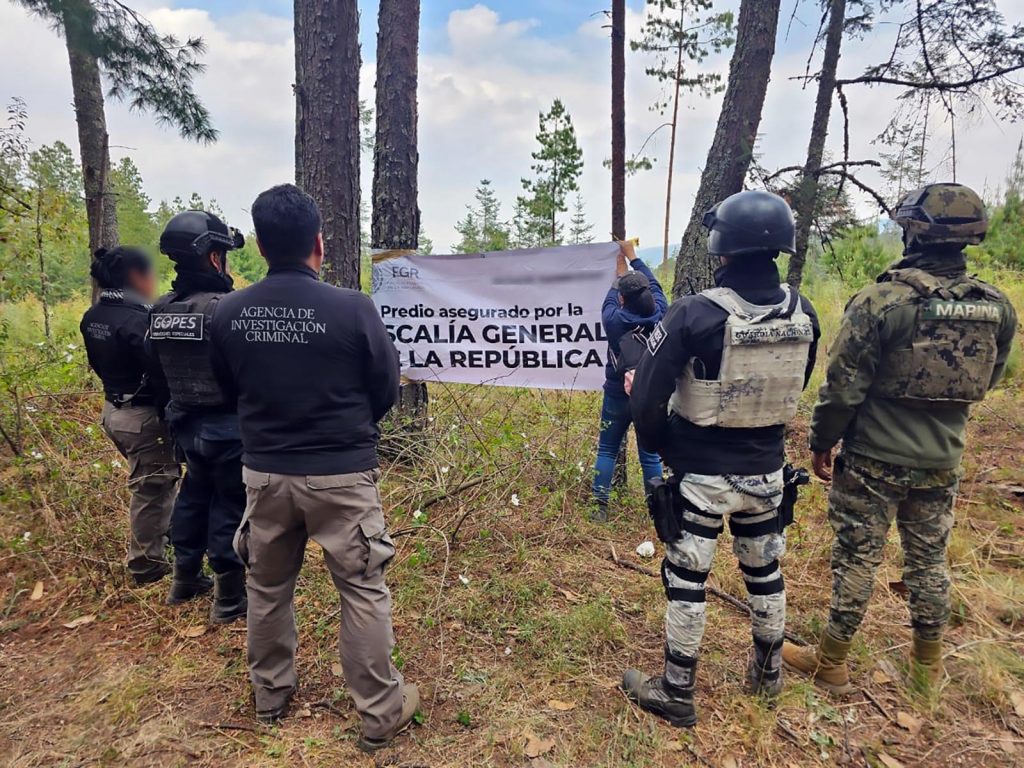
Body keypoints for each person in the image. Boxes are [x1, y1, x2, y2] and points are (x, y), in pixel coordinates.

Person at [783, 183, 1017, 699]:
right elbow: (990, 378)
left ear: (912, 231)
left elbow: (843, 386)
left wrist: (822, 440)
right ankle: (926, 669)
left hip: (873, 458)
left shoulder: (882, 302)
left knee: (857, 558)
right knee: (928, 561)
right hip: (942, 459)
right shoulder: (996, 307)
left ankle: (832, 663)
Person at [208, 184, 418, 750]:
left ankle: (270, 696)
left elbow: (227, 390)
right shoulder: (354, 308)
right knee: (362, 588)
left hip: (265, 475)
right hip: (343, 475)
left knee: (266, 586)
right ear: (319, 244)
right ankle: (380, 714)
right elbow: (384, 390)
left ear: (260, 244)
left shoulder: (228, 311)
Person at [623, 190, 821, 727]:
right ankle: (768, 677)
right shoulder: (803, 312)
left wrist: (668, 447)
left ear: (723, 247)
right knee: (765, 572)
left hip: (702, 477)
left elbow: (645, 399)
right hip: (768, 473)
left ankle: (677, 690)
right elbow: (795, 384)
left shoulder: (695, 313)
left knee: (687, 579)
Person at [148, 211, 248, 623]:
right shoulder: (226, 309)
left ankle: (184, 579)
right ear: (213, 257)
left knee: (192, 498)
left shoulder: (160, 309)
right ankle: (229, 598)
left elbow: (155, 374)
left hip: (186, 427)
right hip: (228, 430)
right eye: (223, 254)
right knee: (229, 505)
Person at [80, 246, 180, 584]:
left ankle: (166, 539)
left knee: (154, 483)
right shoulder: (139, 321)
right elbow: (161, 375)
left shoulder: (94, 316)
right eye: (152, 274)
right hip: (142, 417)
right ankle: (146, 566)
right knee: (153, 488)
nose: (155, 281)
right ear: (137, 276)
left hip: (113, 411)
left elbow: (97, 365)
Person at [591, 240, 668, 522]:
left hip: (616, 394)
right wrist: (633, 257)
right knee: (650, 455)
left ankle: (599, 509)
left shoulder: (614, 320)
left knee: (607, 449)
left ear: (623, 299)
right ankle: (656, 510)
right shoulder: (661, 312)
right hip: (649, 395)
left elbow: (611, 295)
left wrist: (619, 271)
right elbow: (655, 286)